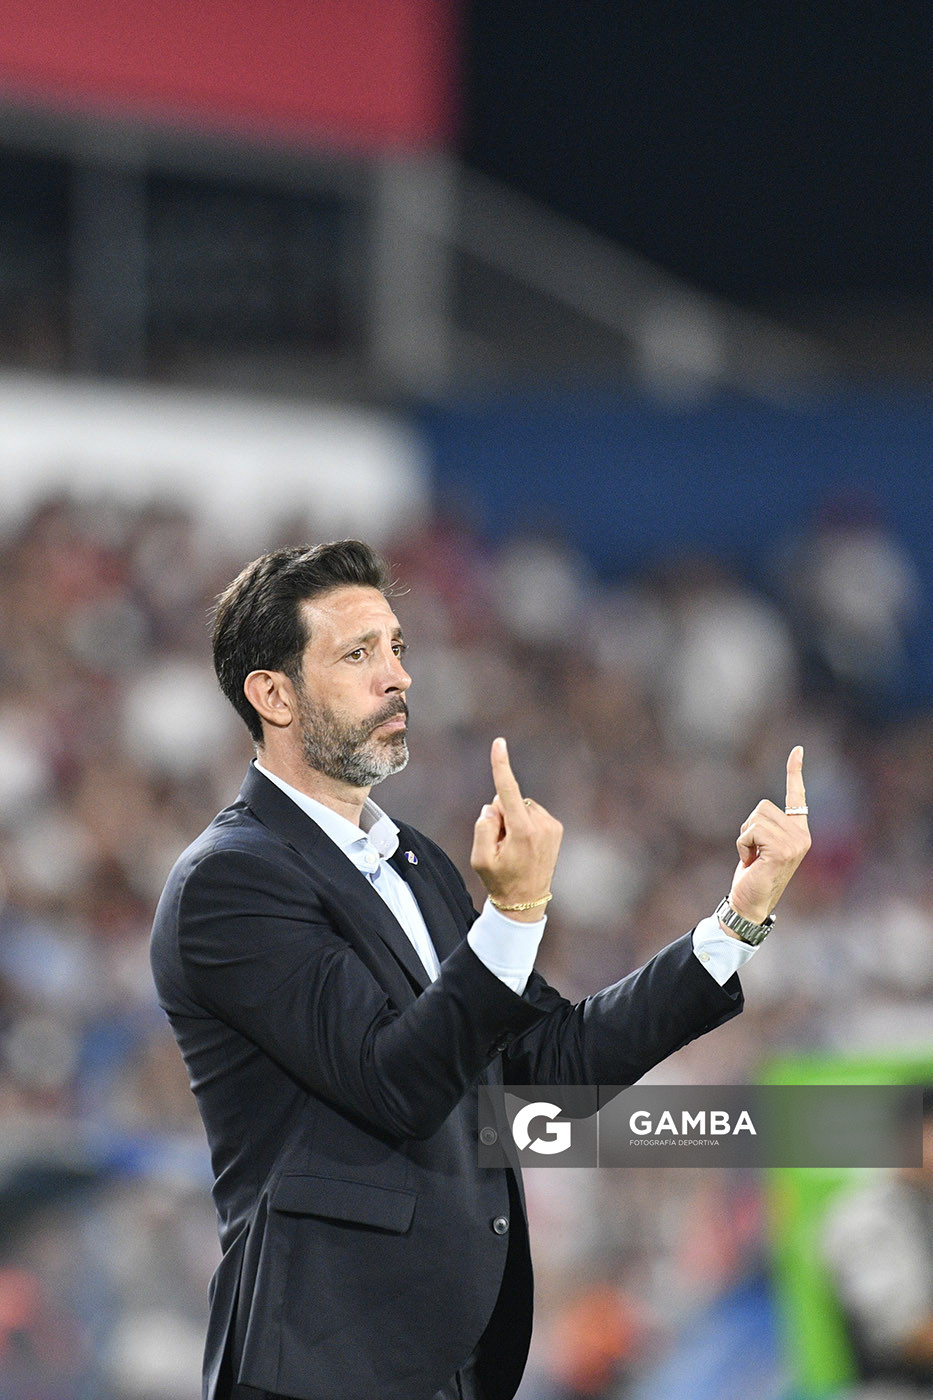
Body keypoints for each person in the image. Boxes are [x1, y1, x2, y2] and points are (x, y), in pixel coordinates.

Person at [149, 539, 811, 1400]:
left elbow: (543, 1073)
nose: (398, 676)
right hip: (323, 1364)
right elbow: (397, 1082)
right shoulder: (229, 881)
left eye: (396, 647)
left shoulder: (414, 863)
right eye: (357, 654)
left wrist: (735, 921)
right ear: (272, 694)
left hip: (450, 1363)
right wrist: (512, 914)